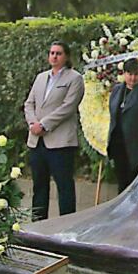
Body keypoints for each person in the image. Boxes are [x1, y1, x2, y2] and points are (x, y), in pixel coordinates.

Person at [24, 40, 85, 220]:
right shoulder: (41, 77)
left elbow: (68, 107)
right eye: (52, 53)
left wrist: (44, 125)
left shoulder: (74, 78)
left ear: (66, 57)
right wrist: (33, 123)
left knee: (64, 186)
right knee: (39, 186)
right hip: (37, 141)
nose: (54, 56)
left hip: (60, 142)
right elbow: (29, 103)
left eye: (58, 53)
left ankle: (66, 225)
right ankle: (38, 223)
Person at [107, 57, 138, 194]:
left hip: (137, 147)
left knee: (135, 184)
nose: (133, 78)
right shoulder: (117, 90)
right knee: (122, 183)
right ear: (124, 73)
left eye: (136, 74)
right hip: (119, 144)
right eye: (129, 74)